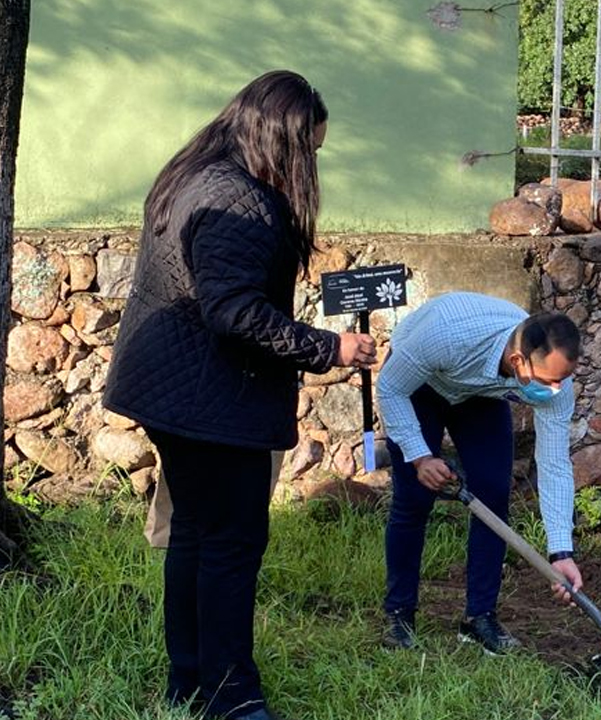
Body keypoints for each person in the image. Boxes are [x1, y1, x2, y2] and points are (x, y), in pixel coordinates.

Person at [103, 71, 376, 720]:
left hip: (175, 393)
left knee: (196, 534)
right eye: (309, 148)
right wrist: (329, 348)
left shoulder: (192, 175)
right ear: (281, 138)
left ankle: (188, 682)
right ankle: (231, 699)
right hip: (209, 403)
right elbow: (235, 314)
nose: (310, 163)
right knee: (229, 545)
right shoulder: (241, 200)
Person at [375, 291, 584, 654]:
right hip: (419, 385)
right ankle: (399, 615)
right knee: (414, 499)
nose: (556, 390)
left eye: (562, 381)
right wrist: (421, 457)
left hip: (480, 395)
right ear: (518, 361)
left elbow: (553, 464)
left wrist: (560, 552)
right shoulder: (446, 335)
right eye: (549, 380)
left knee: (493, 494)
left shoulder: (555, 386)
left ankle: (479, 618)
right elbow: (391, 388)